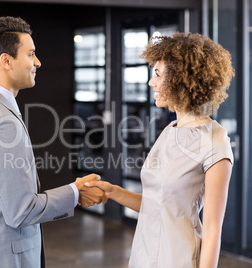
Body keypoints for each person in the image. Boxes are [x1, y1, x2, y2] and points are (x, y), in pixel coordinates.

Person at [0, 16, 106, 268]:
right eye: (31, 54)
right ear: (6, 60)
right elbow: (21, 211)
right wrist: (76, 192)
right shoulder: (3, 122)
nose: (38, 62)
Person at [85, 32, 235, 268]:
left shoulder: (215, 141)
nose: (151, 83)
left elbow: (213, 228)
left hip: (179, 259)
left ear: (181, 79)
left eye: (157, 74)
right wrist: (112, 190)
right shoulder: (168, 131)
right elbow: (158, 203)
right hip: (143, 256)